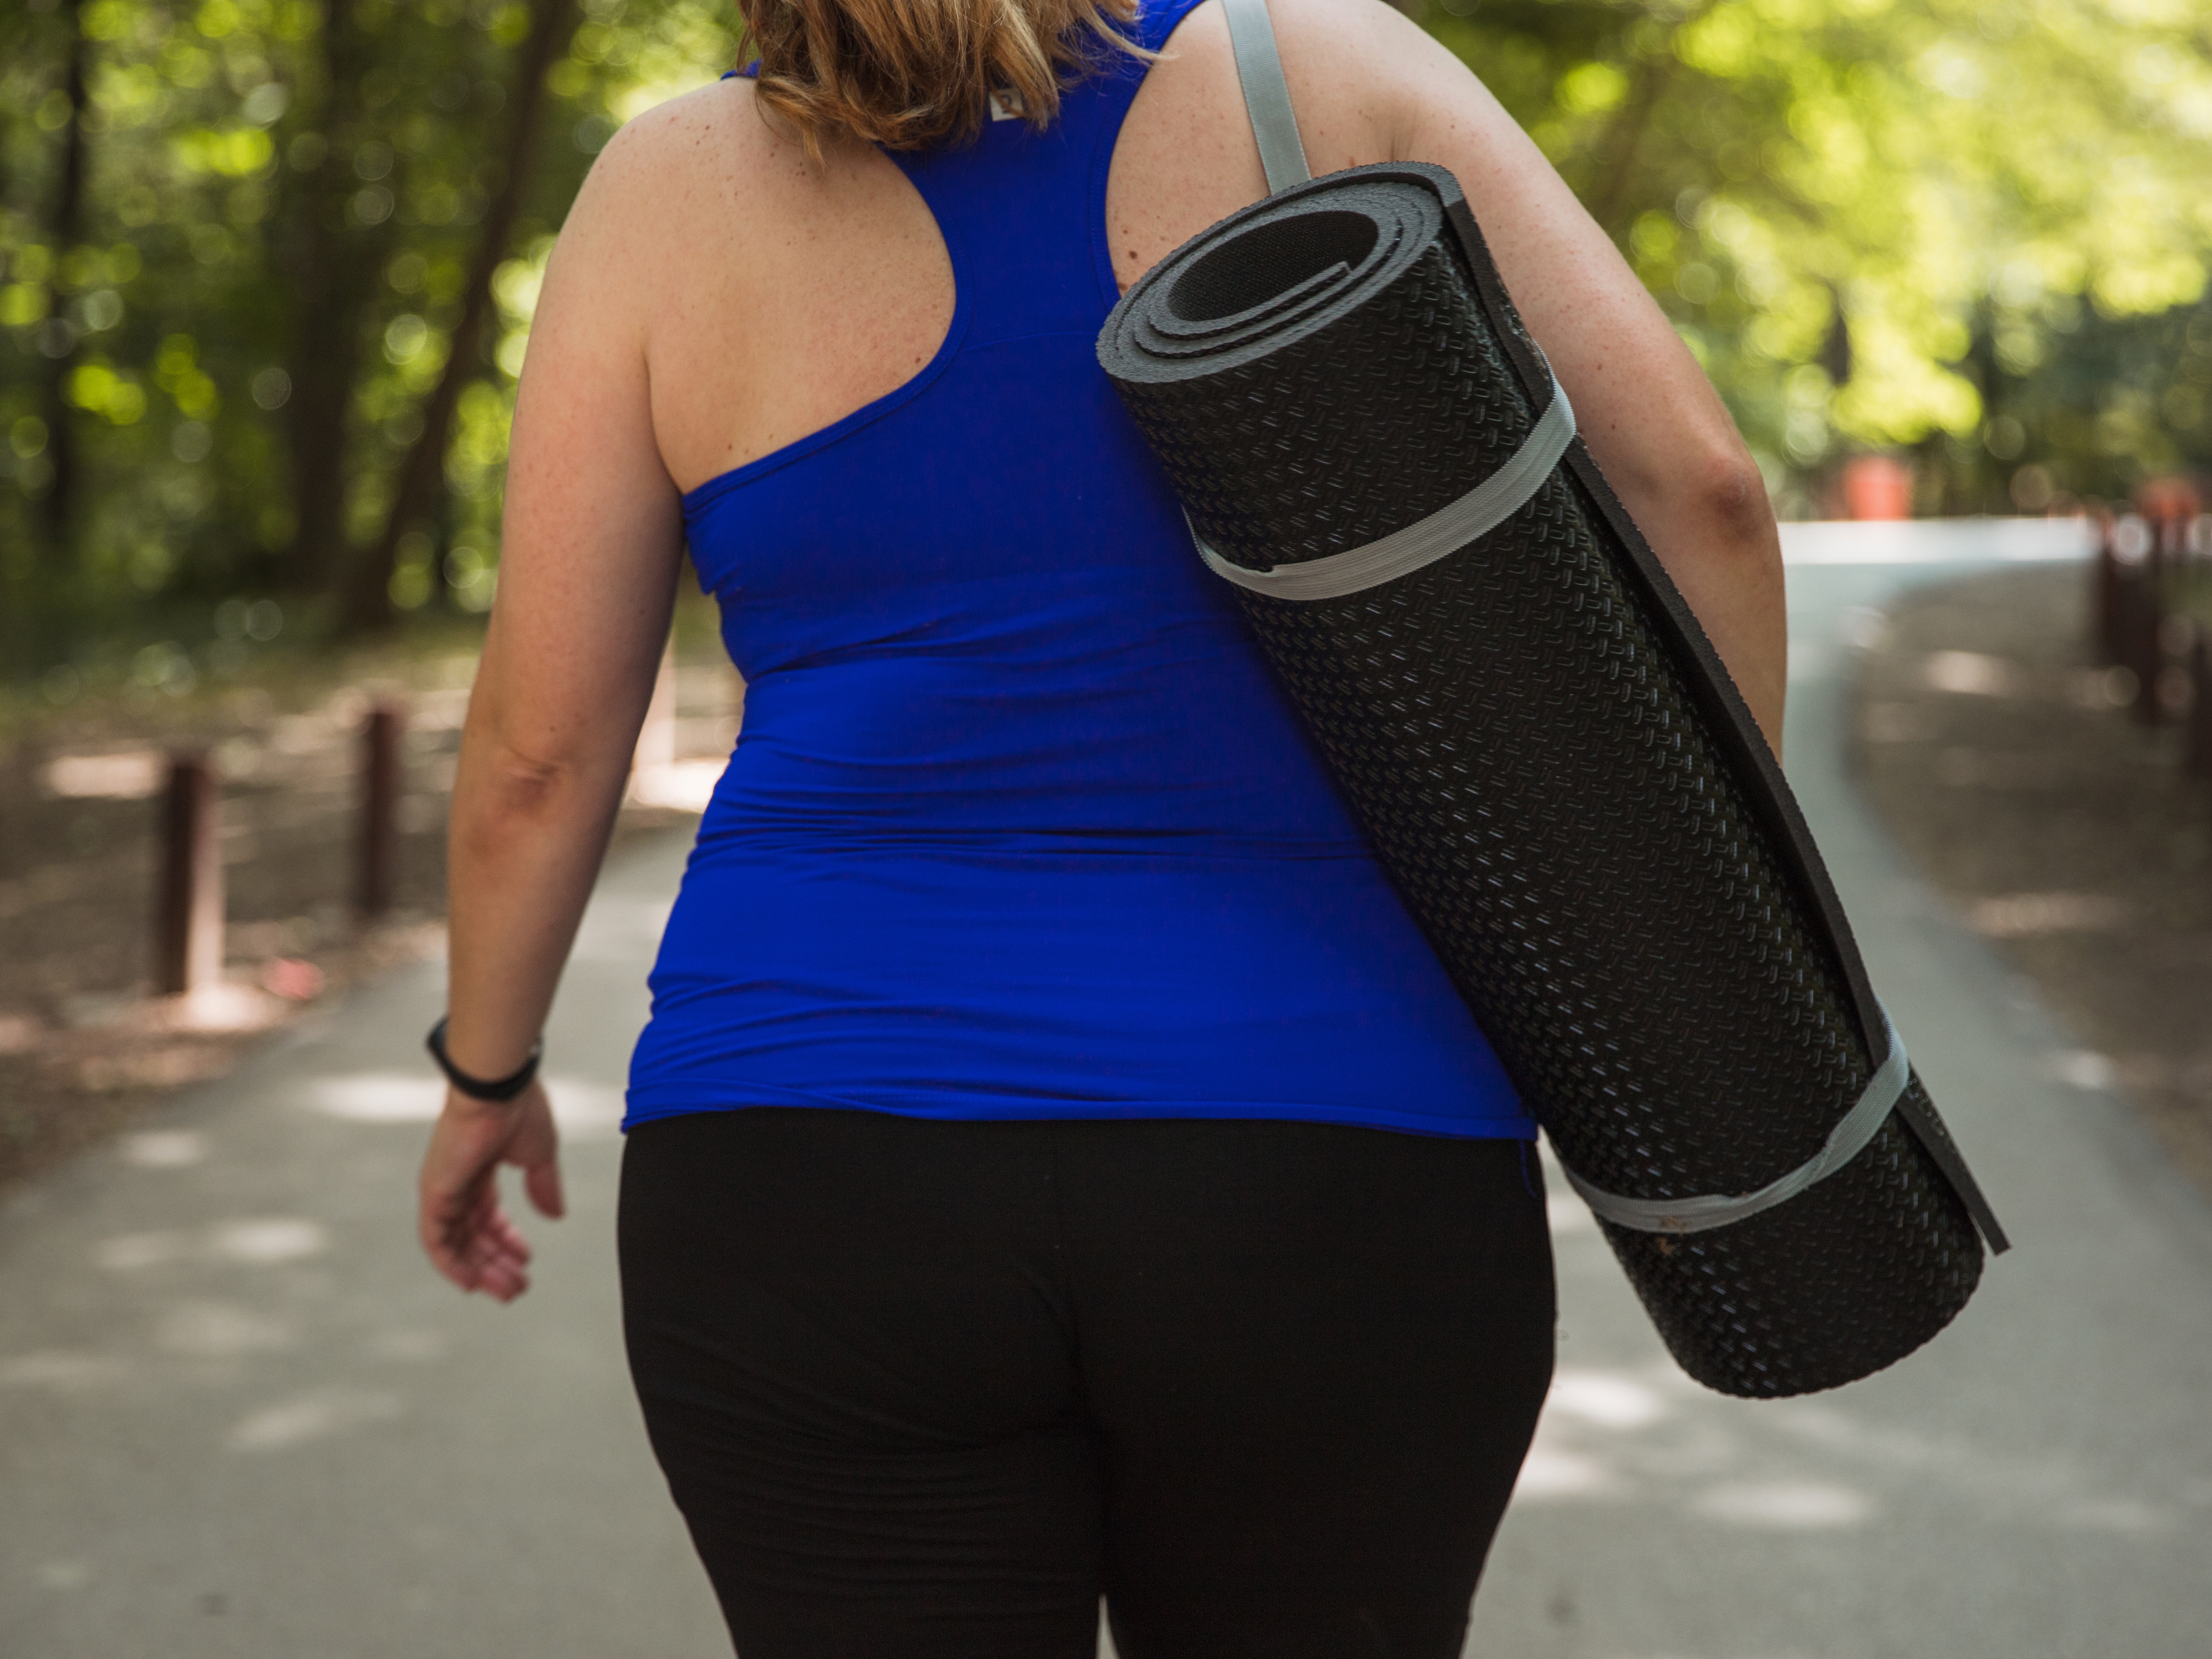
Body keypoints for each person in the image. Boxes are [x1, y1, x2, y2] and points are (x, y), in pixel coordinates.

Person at [414, 0, 1787, 1649]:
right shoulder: (1324, 73)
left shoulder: (665, 189)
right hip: (1335, 1155)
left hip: (806, 1169)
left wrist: (484, 1073)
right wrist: (1703, 952)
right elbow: (1703, 491)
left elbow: (541, 753)